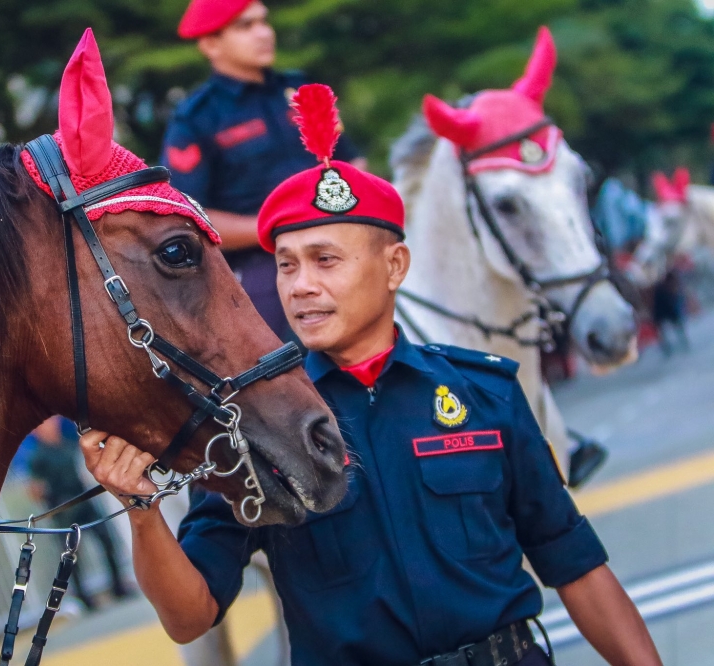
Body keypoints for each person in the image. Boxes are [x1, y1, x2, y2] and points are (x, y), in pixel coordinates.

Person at [79, 85, 662, 665]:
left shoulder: (487, 393)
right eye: (287, 265)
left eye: (325, 260)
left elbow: (576, 565)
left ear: (394, 267)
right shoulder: (252, 430)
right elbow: (190, 617)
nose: (301, 284)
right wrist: (142, 510)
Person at [162, 0, 365, 339]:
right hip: (262, 265)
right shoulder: (197, 117)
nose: (264, 33)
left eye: (263, 22)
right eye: (246, 26)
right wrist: (277, 227)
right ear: (210, 44)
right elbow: (186, 215)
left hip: (339, 239)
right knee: (282, 363)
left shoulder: (299, 89)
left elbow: (353, 160)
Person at [25, 417, 129, 610]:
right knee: (72, 557)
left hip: (83, 500)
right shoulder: (37, 457)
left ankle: (118, 585)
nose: (51, 426)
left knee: (106, 540)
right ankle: (83, 598)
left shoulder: (68, 443)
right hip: (63, 507)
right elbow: (34, 490)